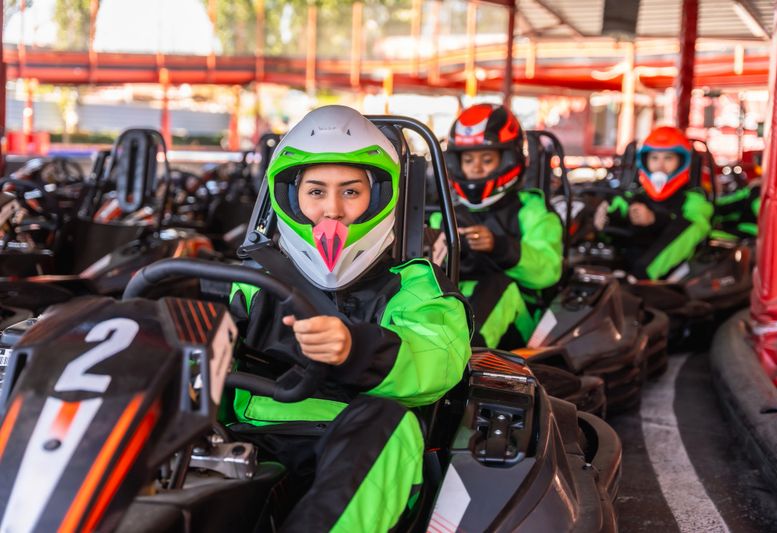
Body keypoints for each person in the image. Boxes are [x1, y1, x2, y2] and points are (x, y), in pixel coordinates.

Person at [226, 105, 472, 532]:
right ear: (291, 196)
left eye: (351, 192)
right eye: (316, 192)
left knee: (385, 422)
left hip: (353, 436)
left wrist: (356, 348)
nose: (333, 210)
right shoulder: (254, 279)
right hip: (249, 435)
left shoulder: (413, 284)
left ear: (379, 196)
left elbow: (440, 358)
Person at [430, 103, 563, 349]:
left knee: (499, 286)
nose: (476, 168)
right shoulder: (445, 215)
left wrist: (500, 247)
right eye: (468, 160)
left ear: (507, 160)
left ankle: (456, 363)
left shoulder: (533, 211)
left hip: (524, 317)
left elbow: (548, 272)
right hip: (458, 302)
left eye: (487, 159)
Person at [594, 126, 713, 280]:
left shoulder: (695, 202)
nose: (660, 165)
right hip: (624, 271)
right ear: (645, 161)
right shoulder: (634, 197)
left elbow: (684, 235)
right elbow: (615, 208)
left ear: (682, 162)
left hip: (663, 280)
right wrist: (602, 215)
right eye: (654, 158)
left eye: (668, 158)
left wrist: (655, 219)